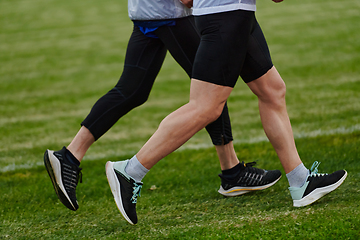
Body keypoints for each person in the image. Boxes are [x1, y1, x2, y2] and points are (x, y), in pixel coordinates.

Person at [102, 0, 348, 225]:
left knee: (272, 90)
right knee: (205, 106)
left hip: (232, 14)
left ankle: (300, 182)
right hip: (227, 15)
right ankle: (130, 171)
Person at [43, 0, 283, 219]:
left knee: (132, 90)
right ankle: (231, 172)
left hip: (147, 11)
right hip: (171, 13)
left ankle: (70, 156)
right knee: (211, 92)